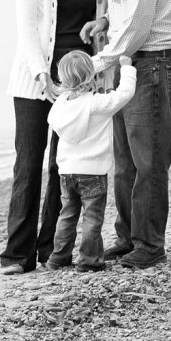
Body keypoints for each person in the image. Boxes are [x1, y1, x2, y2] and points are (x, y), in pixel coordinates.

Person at [61, 0, 171, 270]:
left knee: (148, 160)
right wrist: (104, 23)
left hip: (153, 65)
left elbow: (135, 29)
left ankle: (150, 245)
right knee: (124, 159)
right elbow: (127, 14)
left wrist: (92, 65)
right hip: (134, 63)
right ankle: (129, 237)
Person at [0, 0, 106, 275]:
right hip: (34, 80)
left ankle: (51, 250)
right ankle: (17, 255)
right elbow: (27, 23)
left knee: (65, 168)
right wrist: (41, 75)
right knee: (28, 163)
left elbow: (106, 13)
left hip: (78, 81)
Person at [46, 51, 137, 271]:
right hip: (93, 172)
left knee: (67, 215)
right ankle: (89, 260)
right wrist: (126, 67)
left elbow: (51, 120)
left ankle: (58, 258)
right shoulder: (96, 104)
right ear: (92, 77)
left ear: (62, 79)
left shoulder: (59, 106)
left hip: (66, 172)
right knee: (92, 218)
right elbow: (124, 94)